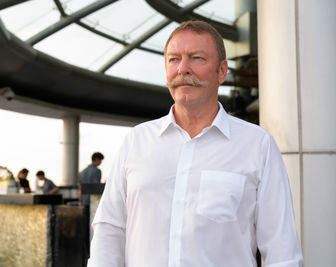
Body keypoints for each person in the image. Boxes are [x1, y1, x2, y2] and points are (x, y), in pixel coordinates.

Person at [88, 21, 303, 267]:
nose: (183, 69)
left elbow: (282, 252)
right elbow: (110, 229)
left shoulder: (258, 146)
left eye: (197, 58)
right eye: (173, 59)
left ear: (222, 71)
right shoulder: (136, 141)